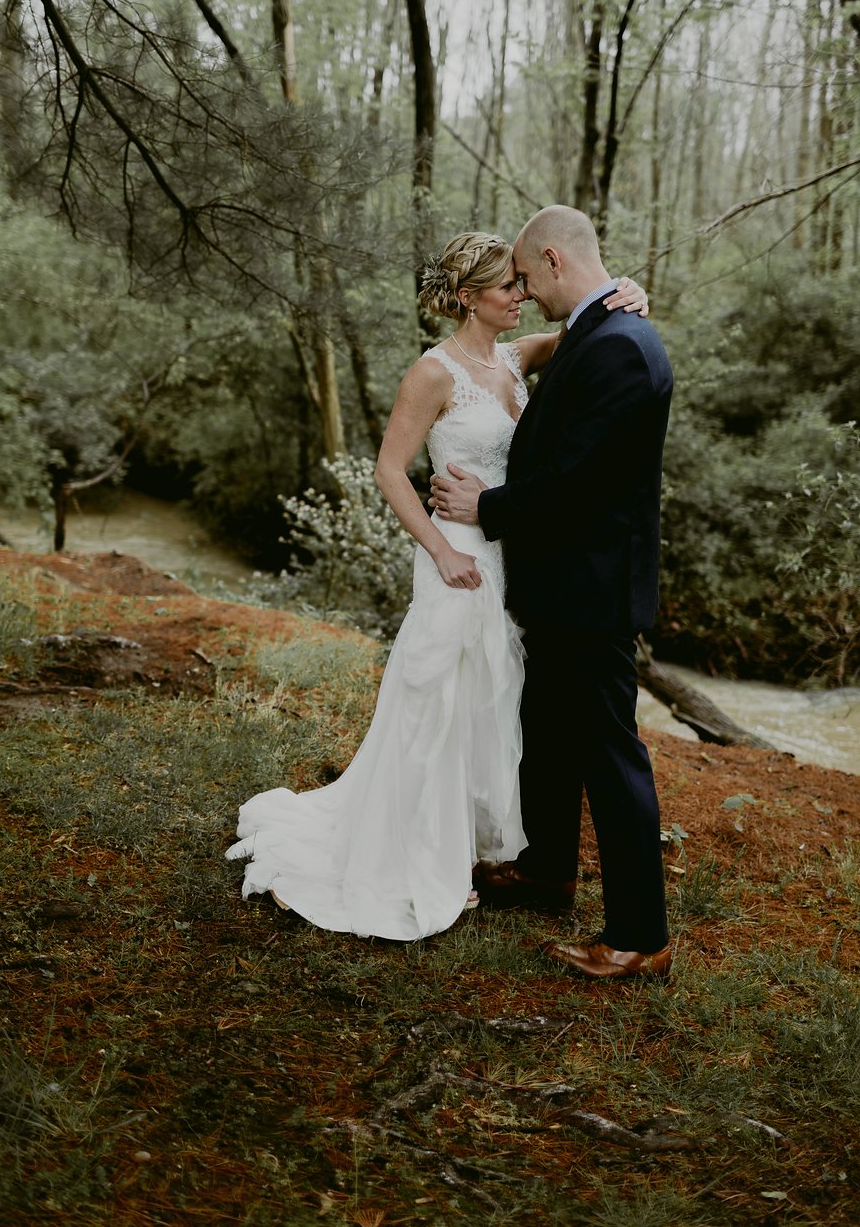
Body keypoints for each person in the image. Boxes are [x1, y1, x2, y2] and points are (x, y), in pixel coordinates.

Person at [225, 230, 648, 941]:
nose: (520, 295)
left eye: (521, 283)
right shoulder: (433, 372)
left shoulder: (518, 357)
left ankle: (478, 844)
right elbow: (392, 470)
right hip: (454, 553)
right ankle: (420, 851)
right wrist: (439, 550)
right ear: (464, 298)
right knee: (439, 697)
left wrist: (626, 290)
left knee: (495, 698)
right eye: (505, 286)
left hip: (508, 553)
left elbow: (585, 323)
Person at [431, 206, 674, 980]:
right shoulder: (600, 331)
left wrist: (488, 509)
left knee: (609, 751)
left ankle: (640, 935)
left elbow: (574, 482)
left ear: (554, 262)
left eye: (529, 277)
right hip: (564, 584)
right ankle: (545, 871)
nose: (526, 293)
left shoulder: (623, 351)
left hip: (592, 588)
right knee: (549, 731)